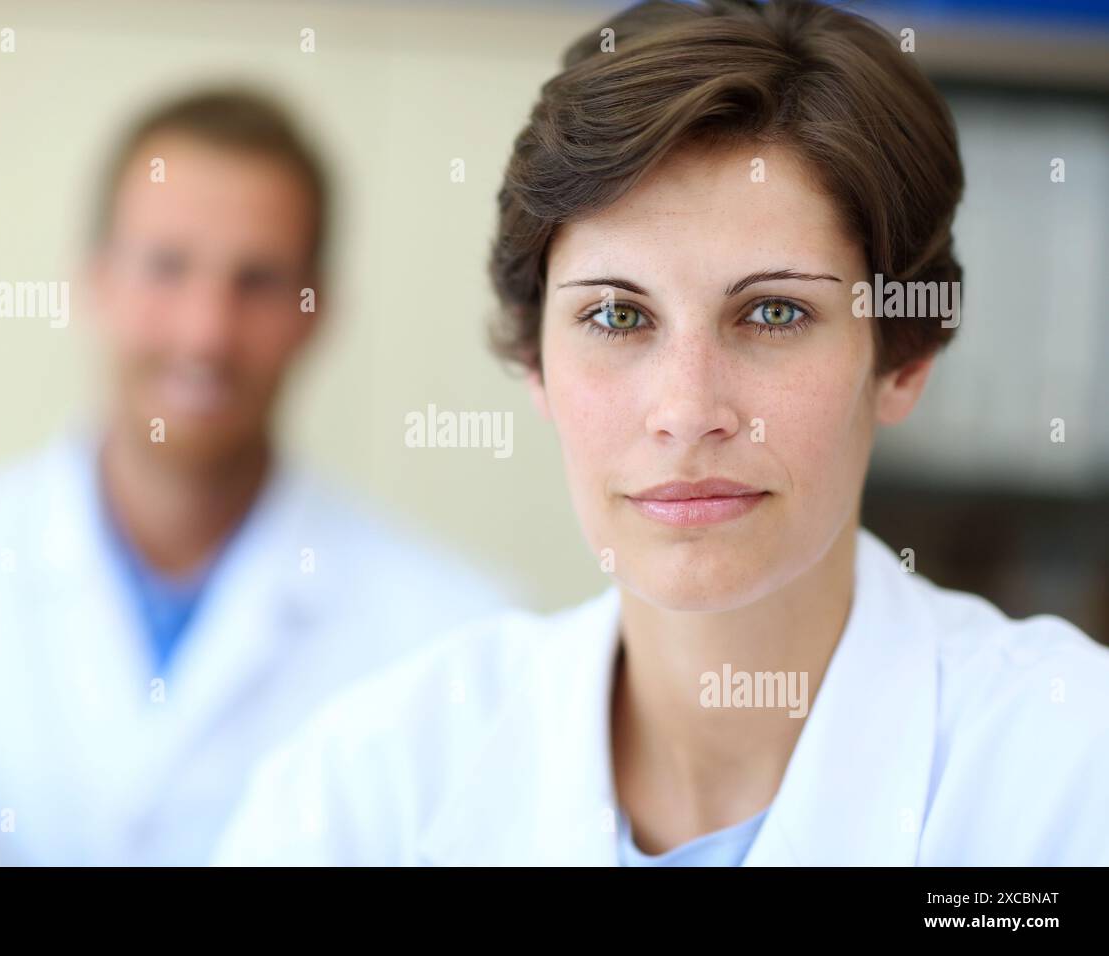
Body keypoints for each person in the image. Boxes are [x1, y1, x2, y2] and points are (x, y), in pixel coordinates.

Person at [211, 0, 1109, 866]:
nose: (686, 409)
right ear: (534, 361)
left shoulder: (1067, 773)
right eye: (614, 316)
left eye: (774, 312)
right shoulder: (363, 789)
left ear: (904, 360)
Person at [0, 89, 513, 865]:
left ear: (317, 313)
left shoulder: (452, 638)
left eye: (258, 281)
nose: (205, 332)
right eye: (166, 267)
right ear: (96, 281)